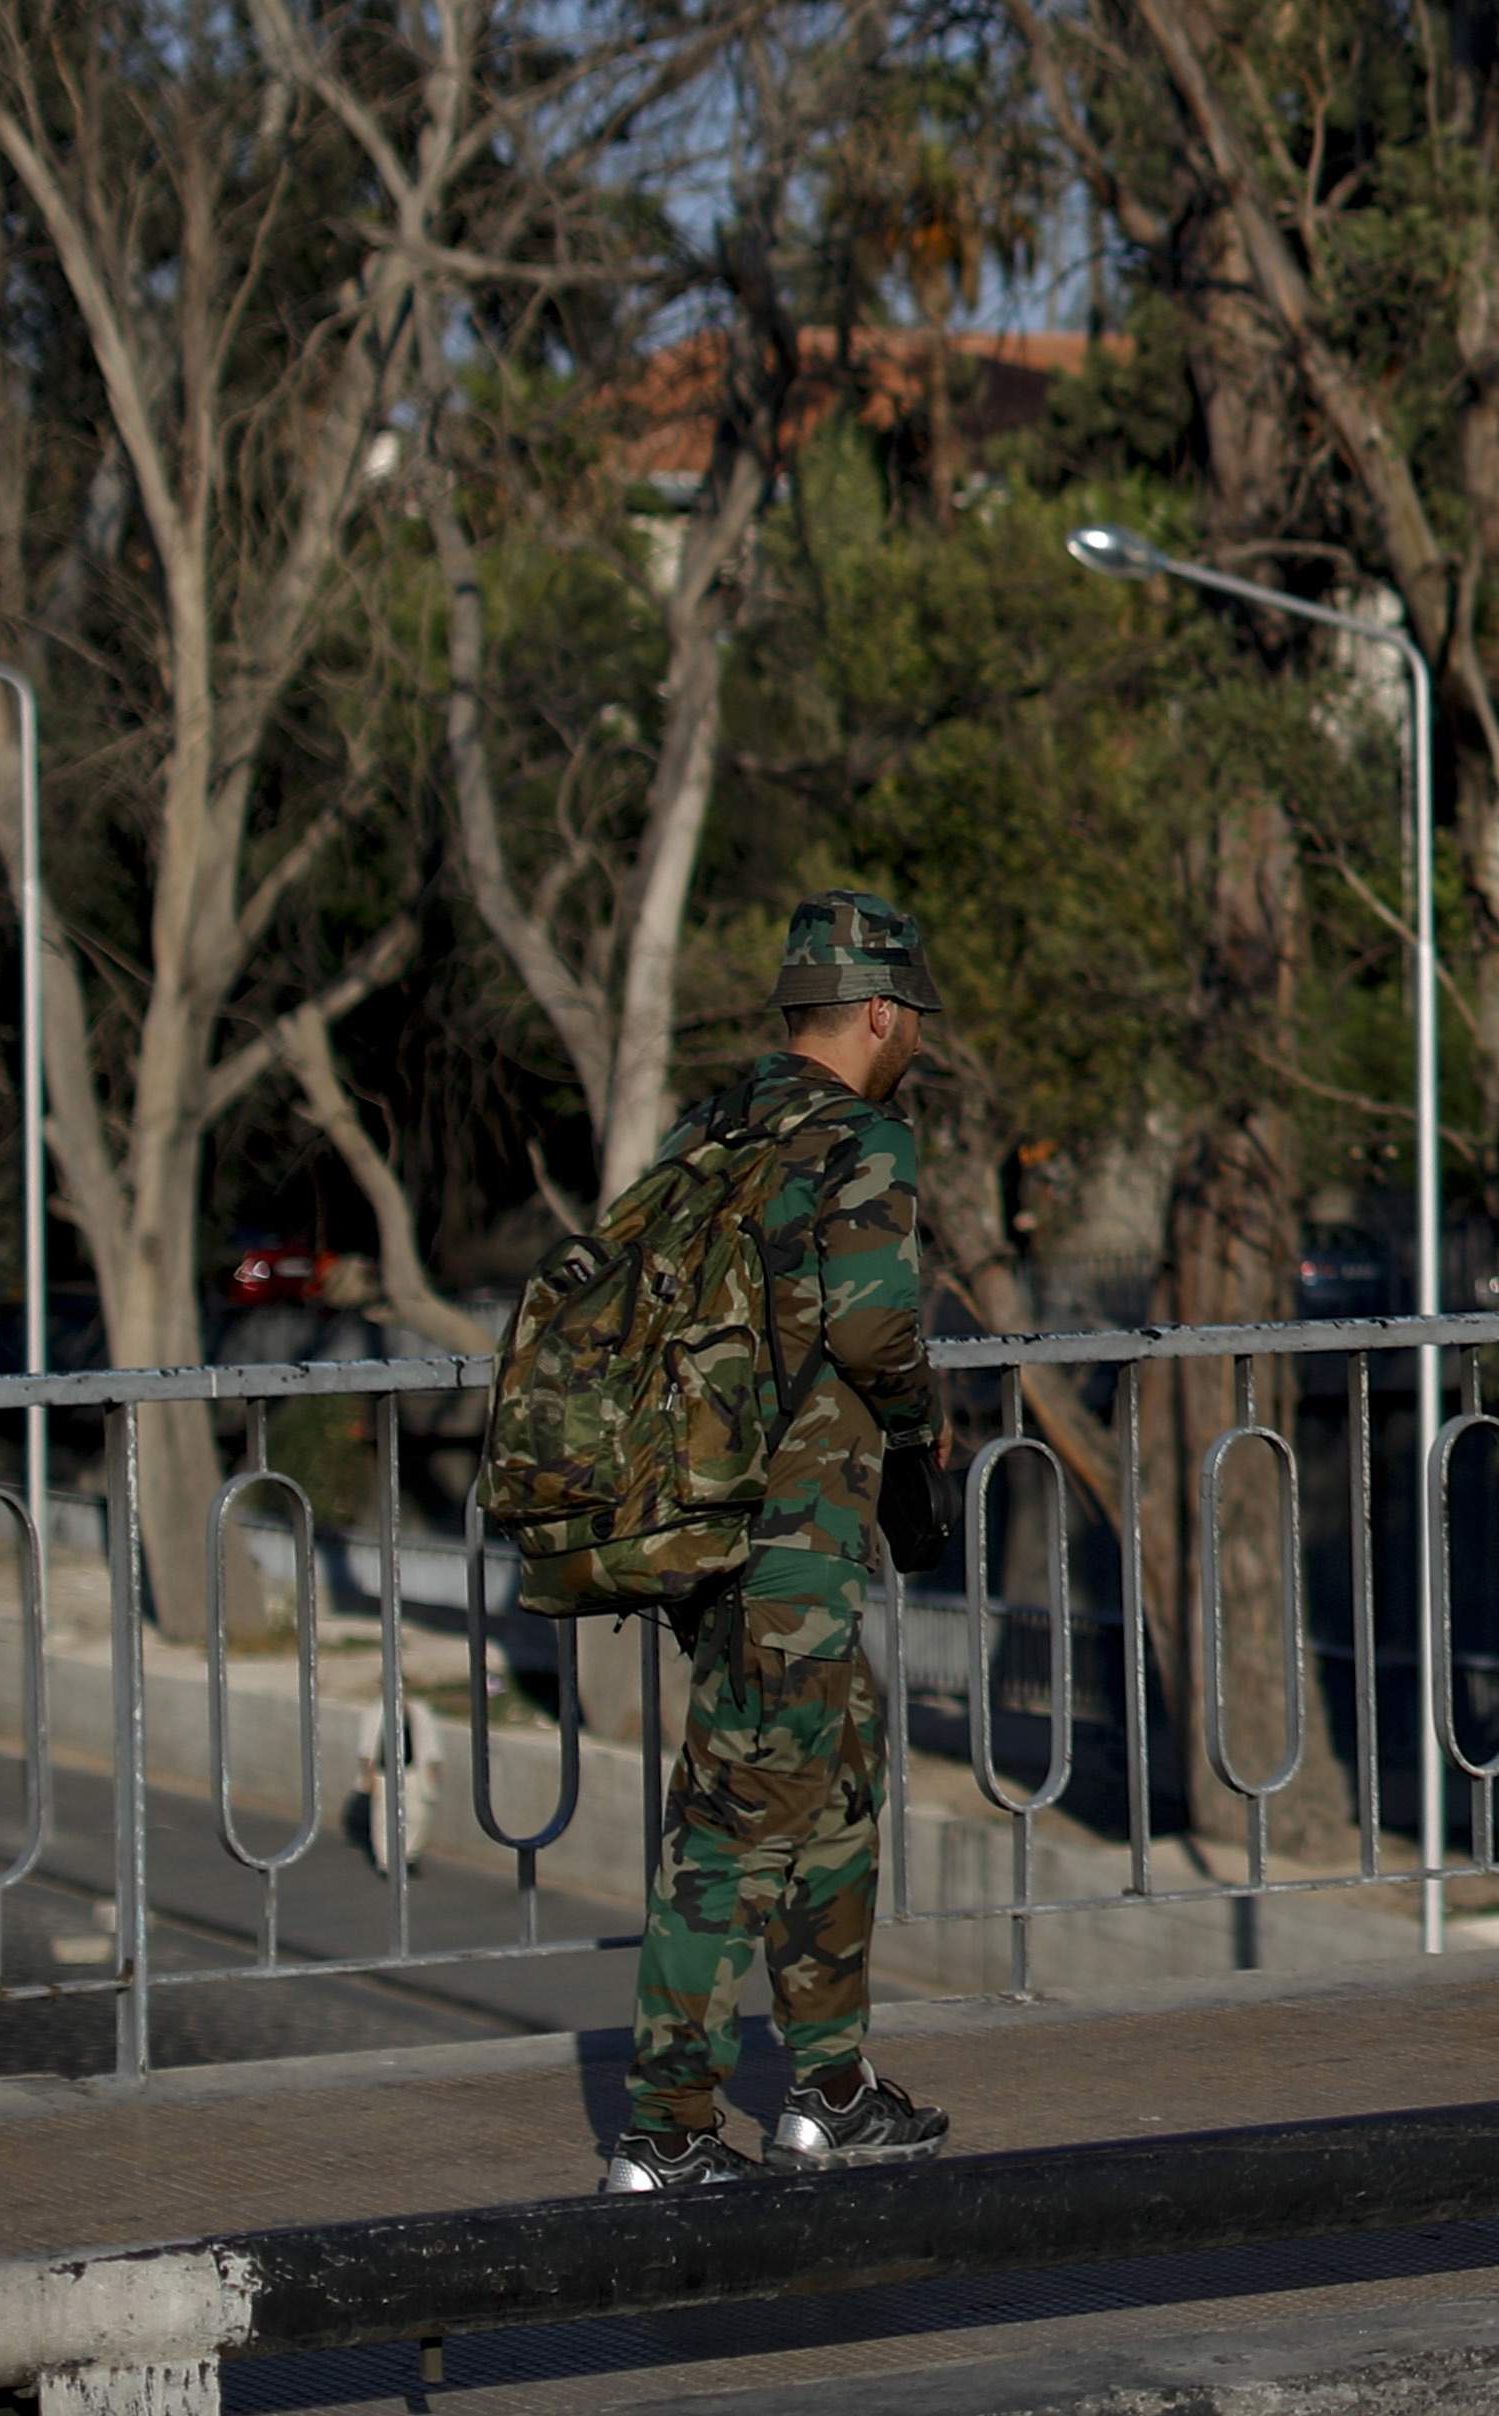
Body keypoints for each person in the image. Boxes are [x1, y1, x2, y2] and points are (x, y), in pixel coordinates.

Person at [602, 892, 956, 2193]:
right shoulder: (863, 1138)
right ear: (877, 1011)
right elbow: (872, 1331)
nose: (914, 1032)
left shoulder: (711, 1130)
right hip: (791, 1538)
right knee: (739, 1820)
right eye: (910, 1011)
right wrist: (921, 1430)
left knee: (832, 1798)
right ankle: (666, 2131)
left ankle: (831, 2088)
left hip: (712, 1520)